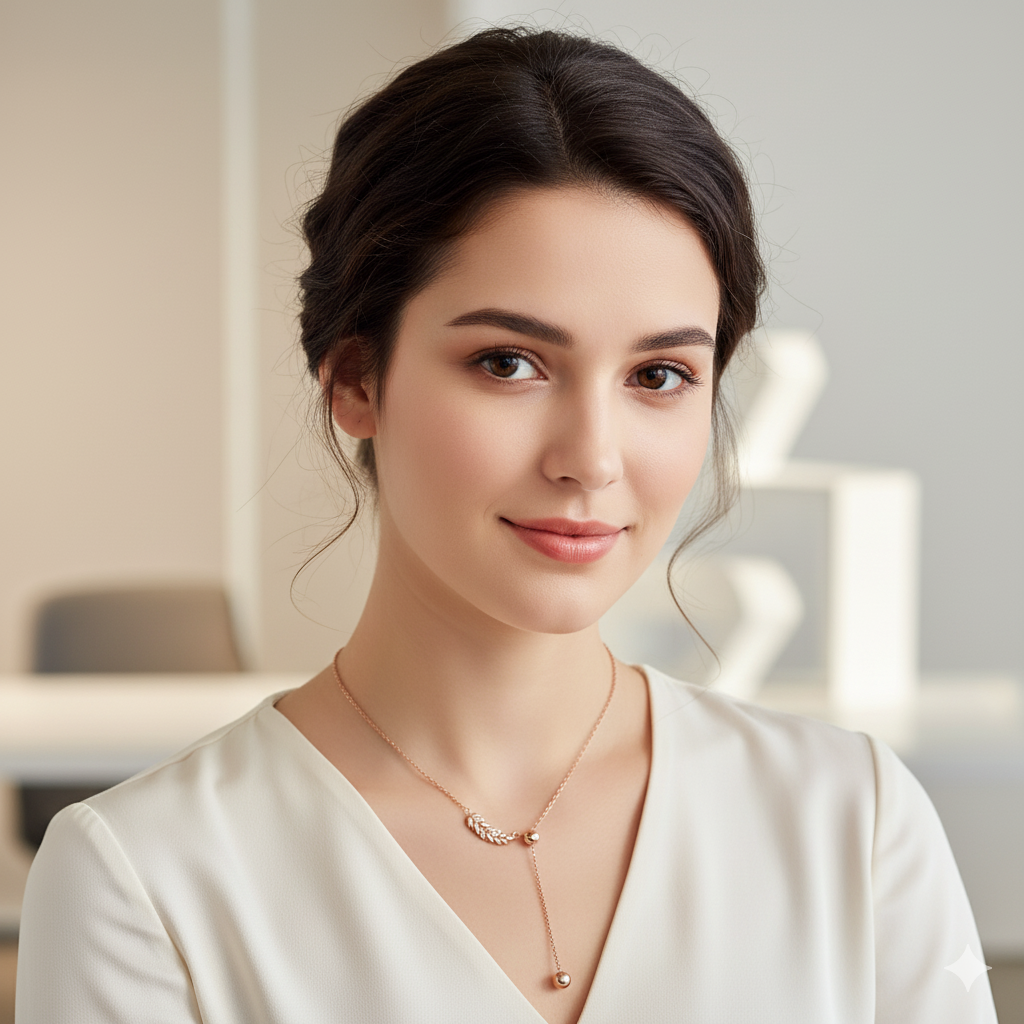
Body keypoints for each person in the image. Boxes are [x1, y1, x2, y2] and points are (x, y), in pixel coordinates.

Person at [15, 26, 997, 1024]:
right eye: (509, 363)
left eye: (659, 376)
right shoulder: (147, 880)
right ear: (355, 378)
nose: (592, 456)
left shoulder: (851, 823)